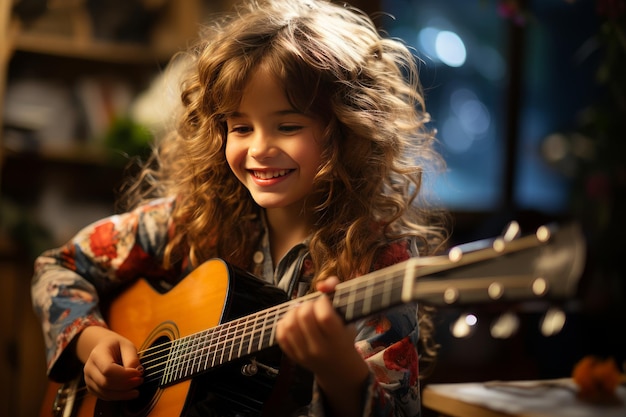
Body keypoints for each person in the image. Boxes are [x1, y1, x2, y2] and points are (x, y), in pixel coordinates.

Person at [31, 0, 448, 416]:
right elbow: (59, 266)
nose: (260, 149)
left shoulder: (379, 260)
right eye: (240, 127)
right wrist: (92, 342)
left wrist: (341, 370)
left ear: (347, 131)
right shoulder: (191, 221)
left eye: (288, 126)